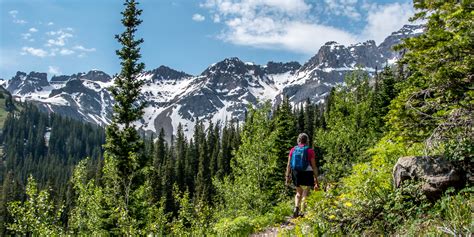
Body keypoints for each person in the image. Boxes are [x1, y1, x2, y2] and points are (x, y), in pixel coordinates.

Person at [285, 133, 320, 218]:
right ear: (307, 140)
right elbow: (314, 166)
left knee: (298, 192)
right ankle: (302, 211)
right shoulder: (310, 151)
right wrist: (316, 179)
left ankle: (296, 207)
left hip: (296, 172)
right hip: (307, 173)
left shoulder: (293, 150)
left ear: (298, 140)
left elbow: (289, 164)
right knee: (305, 193)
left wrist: (287, 177)